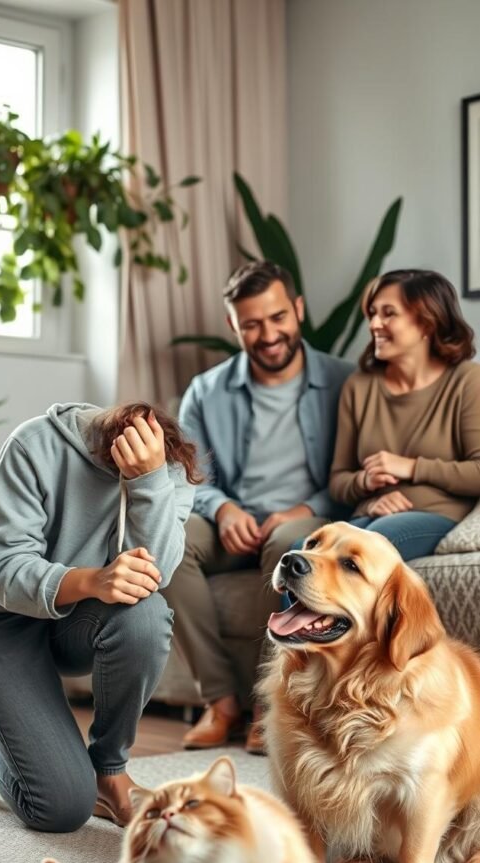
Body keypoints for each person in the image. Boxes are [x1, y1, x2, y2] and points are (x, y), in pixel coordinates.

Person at [0, 401, 197, 832]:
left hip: (71, 621)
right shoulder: (35, 445)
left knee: (147, 615)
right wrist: (95, 581)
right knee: (60, 808)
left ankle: (109, 771)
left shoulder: (166, 468)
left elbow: (154, 574)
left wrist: (150, 481)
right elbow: (4, 570)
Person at [163, 260, 353, 753]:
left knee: (292, 545)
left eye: (277, 319)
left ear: (298, 310)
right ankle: (221, 702)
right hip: (233, 521)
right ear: (234, 325)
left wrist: (302, 508)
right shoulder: (206, 391)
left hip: (304, 520)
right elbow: (187, 476)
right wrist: (223, 508)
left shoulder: (345, 382)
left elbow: (352, 475)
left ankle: (269, 709)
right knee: (169, 542)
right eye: (251, 324)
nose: (267, 334)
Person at [329, 268, 480, 558]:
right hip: (371, 516)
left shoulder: (467, 381)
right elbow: (337, 480)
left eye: (389, 313)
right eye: (372, 313)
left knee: (360, 552)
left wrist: (411, 467)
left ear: (426, 323)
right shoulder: (358, 387)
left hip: (435, 514)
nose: (374, 323)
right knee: (300, 552)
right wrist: (366, 486)